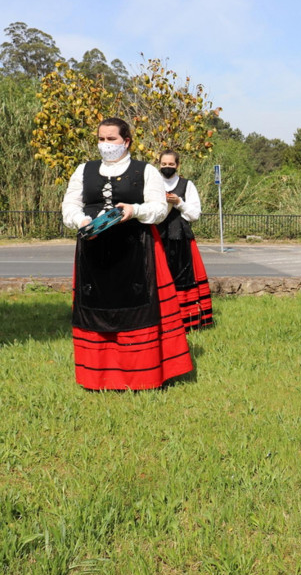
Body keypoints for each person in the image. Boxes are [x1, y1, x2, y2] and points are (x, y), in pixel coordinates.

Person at [61, 117, 193, 390]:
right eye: (101, 139)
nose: (106, 144)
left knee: (137, 310)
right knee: (95, 309)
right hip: (93, 249)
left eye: (112, 139)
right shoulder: (83, 170)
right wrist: (81, 221)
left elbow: (158, 209)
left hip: (136, 248)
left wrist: (135, 210)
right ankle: (97, 378)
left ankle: (142, 377)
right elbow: (69, 205)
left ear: (127, 141)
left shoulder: (145, 171)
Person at [157, 150, 214, 332]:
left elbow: (195, 214)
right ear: (159, 164)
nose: (167, 167)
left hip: (180, 238)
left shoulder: (187, 185)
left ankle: (185, 321)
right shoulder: (153, 184)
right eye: (164, 164)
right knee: (157, 279)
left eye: (171, 164)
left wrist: (179, 202)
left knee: (182, 278)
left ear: (177, 165)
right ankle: (159, 320)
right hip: (157, 238)